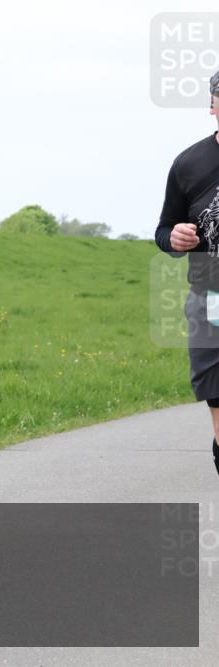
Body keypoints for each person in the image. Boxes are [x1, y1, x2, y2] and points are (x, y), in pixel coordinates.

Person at [155, 69, 219, 477]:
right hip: (211, 303)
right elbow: (164, 229)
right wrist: (174, 238)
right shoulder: (189, 163)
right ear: (213, 105)